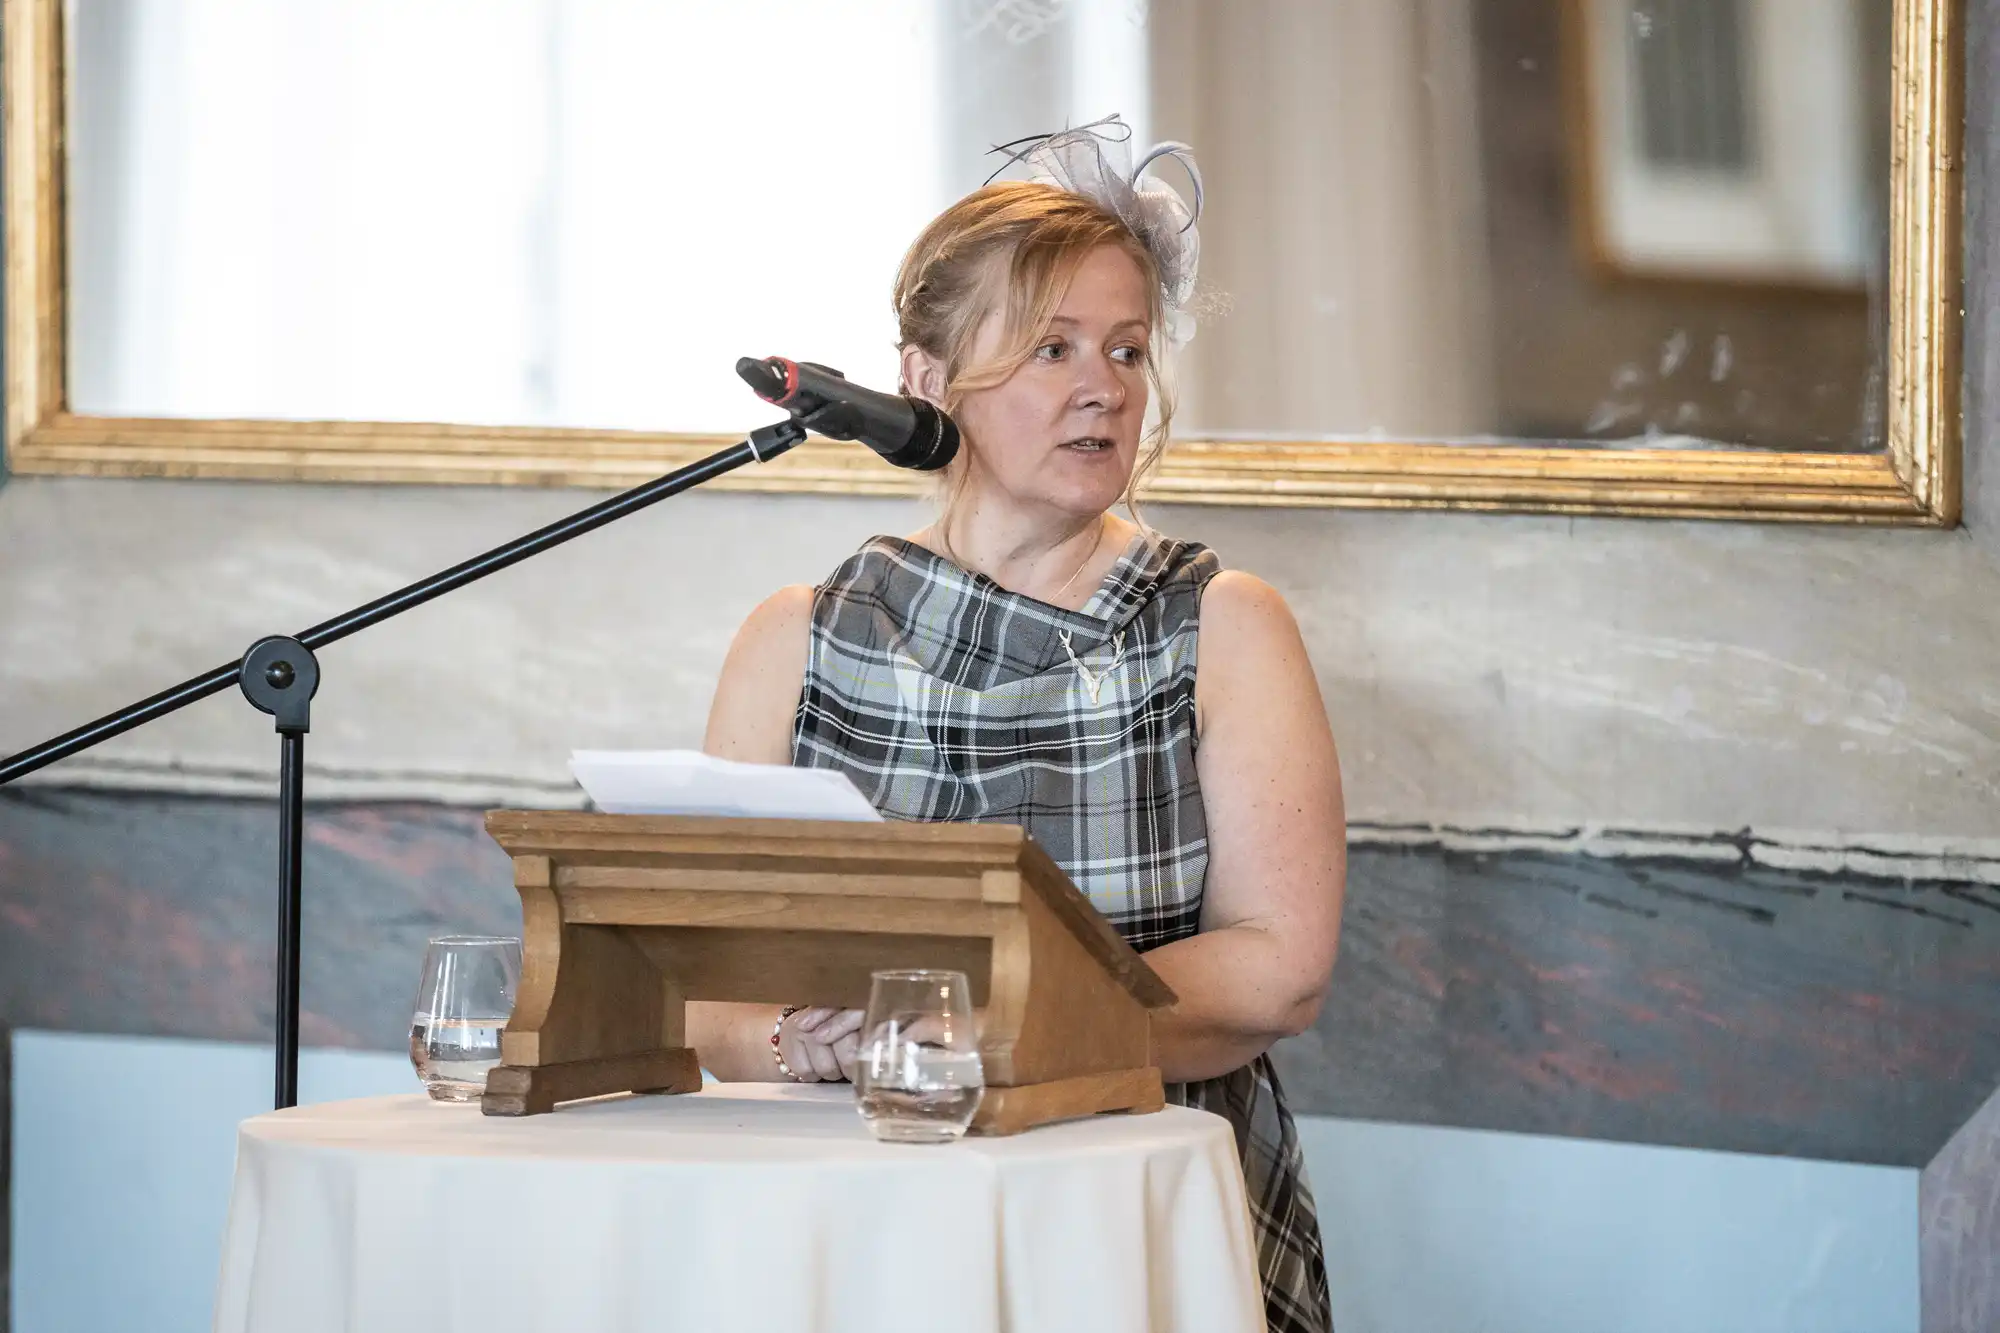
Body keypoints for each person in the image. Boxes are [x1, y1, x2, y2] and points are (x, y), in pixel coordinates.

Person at [693, 117, 1345, 1333]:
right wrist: (799, 1040)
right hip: (855, 1228)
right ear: (925, 383)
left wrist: (975, 1028)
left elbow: (1275, 969)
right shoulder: (794, 639)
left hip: (1132, 1207)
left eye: (1126, 350)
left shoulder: (1220, 623)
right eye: (1050, 348)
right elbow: (710, 995)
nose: (1102, 386)